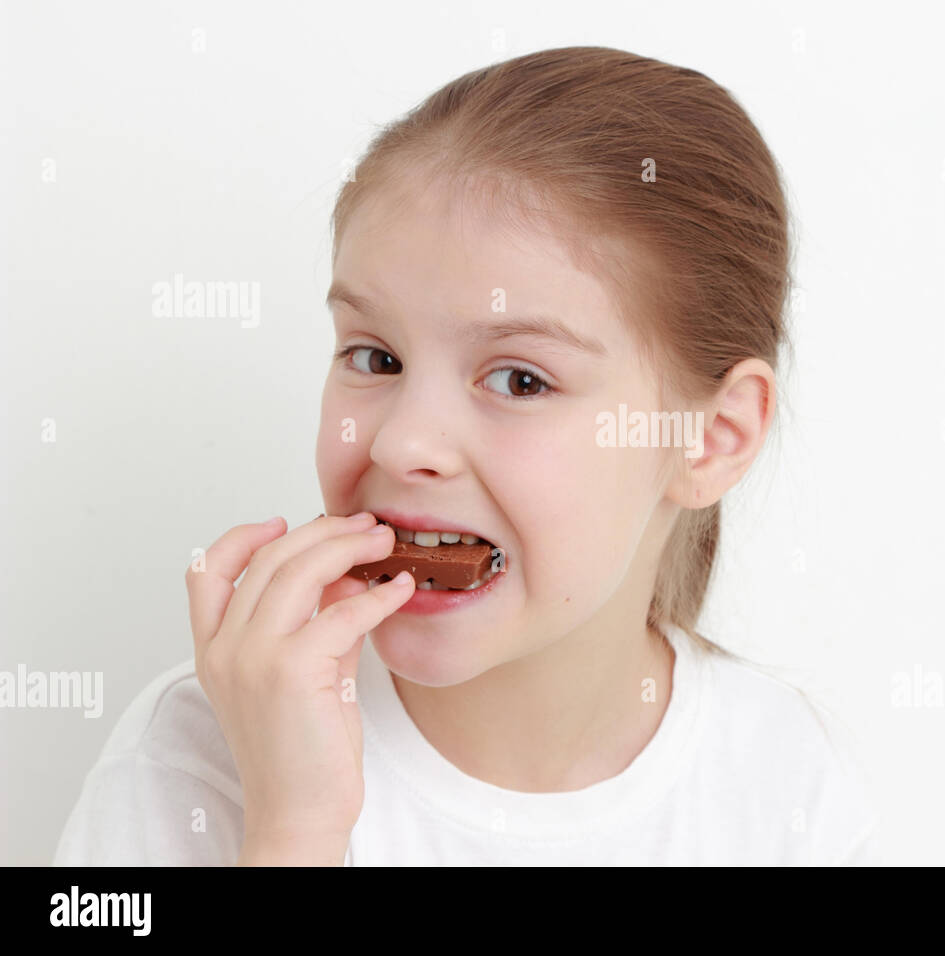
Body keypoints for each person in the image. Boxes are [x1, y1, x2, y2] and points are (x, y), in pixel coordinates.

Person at [53, 45, 878, 866]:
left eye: (520, 379)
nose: (400, 441)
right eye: (375, 358)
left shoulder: (785, 787)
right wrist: (295, 828)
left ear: (710, 437)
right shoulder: (197, 761)